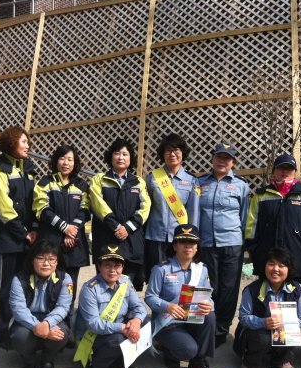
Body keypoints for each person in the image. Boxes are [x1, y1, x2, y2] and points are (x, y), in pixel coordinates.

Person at [145, 224, 216, 368]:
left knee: (210, 316)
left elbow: (207, 295)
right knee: (188, 350)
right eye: (183, 242)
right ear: (175, 246)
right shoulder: (161, 269)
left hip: (192, 319)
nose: (188, 246)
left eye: (192, 242)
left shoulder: (201, 270)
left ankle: (199, 360)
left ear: (197, 247)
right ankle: (168, 350)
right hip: (168, 323)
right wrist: (167, 306)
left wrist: (210, 304)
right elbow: (150, 297)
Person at [0, 125, 38, 345]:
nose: (28, 146)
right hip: (8, 239)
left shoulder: (29, 171)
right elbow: (3, 209)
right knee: (4, 287)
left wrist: (34, 229)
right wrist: (24, 232)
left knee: (23, 286)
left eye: (27, 142)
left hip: (27, 238)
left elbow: (35, 204)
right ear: (11, 143)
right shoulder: (0, 172)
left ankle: (18, 328)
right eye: (23, 142)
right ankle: (0, 333)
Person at [197, 143, 249, 348]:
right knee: (208, 286)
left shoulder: (241, 185)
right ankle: (205, 324)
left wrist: (246, 244)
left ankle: (221, 330)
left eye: (227, 158)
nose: (222, 161)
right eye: (218, 156)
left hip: (232, 244)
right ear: (212, 159)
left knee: (228, 288)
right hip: (206, 243)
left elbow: (245, 216)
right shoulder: (200, 182)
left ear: (233, 162)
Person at [74, 246, 149, 368]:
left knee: (147, 323)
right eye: (107, 265)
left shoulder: (125, 282)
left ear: (122, 267)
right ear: (99, 267)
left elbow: (139, 307)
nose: (112, 270)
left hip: (116, 329)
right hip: (92, 335)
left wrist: (136, 321)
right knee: (118, 339)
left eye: (117, 266)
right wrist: (123, 328)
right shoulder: (90, 289)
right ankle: (96, 365)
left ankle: (118, 359)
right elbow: (94, 325)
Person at [245, 154, 301, 282]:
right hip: (266, 254)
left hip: (296, 254)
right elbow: (251, 222)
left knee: (294, 290)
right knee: (265, 290)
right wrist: (253, 247)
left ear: (295, 171)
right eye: (281, 167)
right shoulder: (261, 195)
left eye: (289, 168)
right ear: (274, 170)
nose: (285, 171)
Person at [32, 145, 90, 317]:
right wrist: (65, 227)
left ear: (75, 162)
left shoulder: (81, 185)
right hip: (50, 242)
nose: (66, 163)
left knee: (70, 284)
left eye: (70, 159)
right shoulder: (45, 182)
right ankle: (45, 320)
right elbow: (41, 209)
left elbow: (85, 210)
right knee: (48, 282)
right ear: (56, 161)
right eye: (62, 158)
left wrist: (72, 231)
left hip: (73, 244)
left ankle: (67, 321)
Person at [233, 247, 301, 368]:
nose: (275, 269)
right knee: (262, 338)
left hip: (283, 329)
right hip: (257, 331)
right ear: (264, 266)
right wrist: (263, 322)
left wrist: (289, 322)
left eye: (281, 265)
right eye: (271, 264)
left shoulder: (297, 289)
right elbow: (244, 317)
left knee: (289, 332)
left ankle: (281, 360)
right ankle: (250, 361)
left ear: (289, 269)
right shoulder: (252, 289)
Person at [89, 138, 151, 284]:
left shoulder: (139, 182)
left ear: (131, 158)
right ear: (111, 156)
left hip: (131, 242)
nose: (120, 157)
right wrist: (116, 227)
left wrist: (128, 228)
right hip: (106, 240)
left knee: (127, 286)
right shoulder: (99, 179)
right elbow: (98, 205)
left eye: (125, 154)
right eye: (117, 153)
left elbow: (145, 207)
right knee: (105, 284)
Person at [9, 240, 72, 368]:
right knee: (20, 336)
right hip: (26, 321)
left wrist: (47, 324)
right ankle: (29, 360)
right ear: (32, 260)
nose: (46, 263)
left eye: (52, 259)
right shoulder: (19, 279)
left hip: (52, 320)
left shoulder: (65, 279)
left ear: (57, 262)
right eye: (41, 258)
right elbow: (18, 309)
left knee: (61, 333)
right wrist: (37, 326)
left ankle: (47, 359)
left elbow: (63, 307)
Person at [144, 133, 199, 284]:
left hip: (180, 238)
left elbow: (193, 213)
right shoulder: (153, 178)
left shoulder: (192, 180)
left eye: (176, 150)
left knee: (180, 278)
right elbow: (147, 207)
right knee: (156, 278)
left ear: (183, 153)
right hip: (155, 236)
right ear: (162, 154)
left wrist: (192, 240)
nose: (172, 154)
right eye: (168, 150)